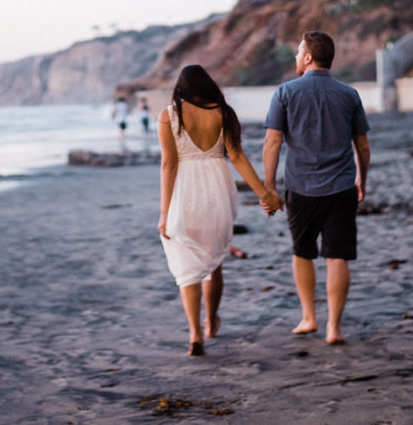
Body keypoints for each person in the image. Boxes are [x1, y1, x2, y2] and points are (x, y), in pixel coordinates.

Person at [157, 65, 282, 356]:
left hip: (184, 192)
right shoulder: (223, 113)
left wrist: (164, 213)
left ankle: (195, 333)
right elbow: (236, 156)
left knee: (187, 267)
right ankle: (211, 321)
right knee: (214, 262)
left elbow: (169, 164)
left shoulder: (169, 115)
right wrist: (264, 193)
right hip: (216, 190)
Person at [262, 31, 371, 345]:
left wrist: (269, 186)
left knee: (302, 252)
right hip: (341, 187)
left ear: (308, 57)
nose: (296, 57)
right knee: (337, 256)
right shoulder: (349, 94)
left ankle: (309, 317)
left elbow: (272, 142)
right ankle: (333, 328)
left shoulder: (285, 93)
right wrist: (362, 178)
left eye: (298, 51)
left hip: (301, 187)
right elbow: (362, 145)